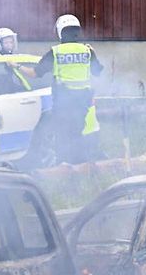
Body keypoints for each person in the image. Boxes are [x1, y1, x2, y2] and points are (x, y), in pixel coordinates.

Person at [35, 14, 103, 164]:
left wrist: (17, 66)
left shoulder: (55, 51)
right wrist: (94, 53)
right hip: (83, 103)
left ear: (60, 31)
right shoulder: (87, 51)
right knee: (79, 132)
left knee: (63, 133)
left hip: (63, 101)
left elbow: (36, 72)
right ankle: (80, 163)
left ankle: (64, 164)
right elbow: (98, 72)